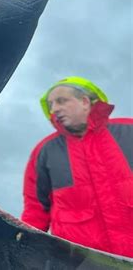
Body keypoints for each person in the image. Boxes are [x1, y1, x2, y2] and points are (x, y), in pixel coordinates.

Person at [21, 76, 133, 257]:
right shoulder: (45, 151)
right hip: (82, 264)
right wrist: (25, 254)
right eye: (51, 105)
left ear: (84, 101)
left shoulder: (129, 131)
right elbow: (35, 211)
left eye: (61, 101)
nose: (55, 109)